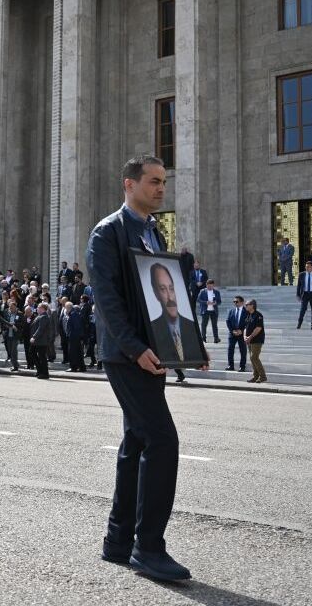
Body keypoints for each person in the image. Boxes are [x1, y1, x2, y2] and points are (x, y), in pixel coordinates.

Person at [86, 154, 205, 582]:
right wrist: (136, 349)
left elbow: (167, 293)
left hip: (155, 355)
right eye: (153, 181)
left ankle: (118, 542)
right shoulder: (108, 232)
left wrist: (187, 347)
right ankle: (149, 547)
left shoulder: (154, 233)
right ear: (129, 184)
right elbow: (108, 301)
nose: (160, 188)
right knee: (162, 440)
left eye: (164, 182)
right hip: (126, 355)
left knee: (136, 442)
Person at [147, 262, 198, 384]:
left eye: (171, 288)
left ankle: (180, 374)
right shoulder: (153, 327)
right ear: (156, 293)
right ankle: (180, 374)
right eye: (163, 289)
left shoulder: (191, 326)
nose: (170, 298)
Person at [242, 299, 266, 383]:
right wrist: (245, 336)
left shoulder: (258, 315)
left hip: (257, 340)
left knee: (254, 357)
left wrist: (250, 337)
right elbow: (245, 328)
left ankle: (263, 376)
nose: (245, 306)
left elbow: (258, 328)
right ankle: (255, 376)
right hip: (249, 340)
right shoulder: (248, 315)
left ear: (252, 305)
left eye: (247, 304)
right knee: (252, 359)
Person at [296, 260, 312, 330]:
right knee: (302, 310)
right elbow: (299, 286)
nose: (307, 268)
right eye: (306, 267)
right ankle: (299, 324)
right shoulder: (301, 274)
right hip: (305, 294)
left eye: (309, 267)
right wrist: (298, 295)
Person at [28, 303, 53, 379]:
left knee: (42, 357)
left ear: (42, 308)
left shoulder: (44, 317)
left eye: (38, 307)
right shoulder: (39, 316)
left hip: (41, 341)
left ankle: (45, 373)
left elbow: (41, 329)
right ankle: (40, 370)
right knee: (32, 353)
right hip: (37, 341)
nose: (37, 308)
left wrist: (34, 337)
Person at [224, 295, 247, 372]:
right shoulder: (232, 311)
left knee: (243, 350)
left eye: (236, 301)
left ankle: (242, 367)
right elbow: (228, 321)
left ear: (242, 302)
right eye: (234, 302)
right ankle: (230, 365)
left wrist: (242, 330)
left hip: (242, 334)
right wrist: (232, 331)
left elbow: (248, 323)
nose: (235, 303)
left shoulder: (246, 311)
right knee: (230, 349)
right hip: (232, 334)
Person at [195, 279, 221, 343]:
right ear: (206, 285)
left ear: (213, 285)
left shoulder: (216, 292)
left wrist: (216, 303)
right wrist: (205, 302)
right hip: (205, 311)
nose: (210, 287)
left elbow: (219, 301)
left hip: (214, 311)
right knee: (204, 325)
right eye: (208, 286)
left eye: (211, 286)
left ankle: (216, 338)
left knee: (214, 325)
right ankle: (203, 338)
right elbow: (198, 300)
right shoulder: (202, 291)